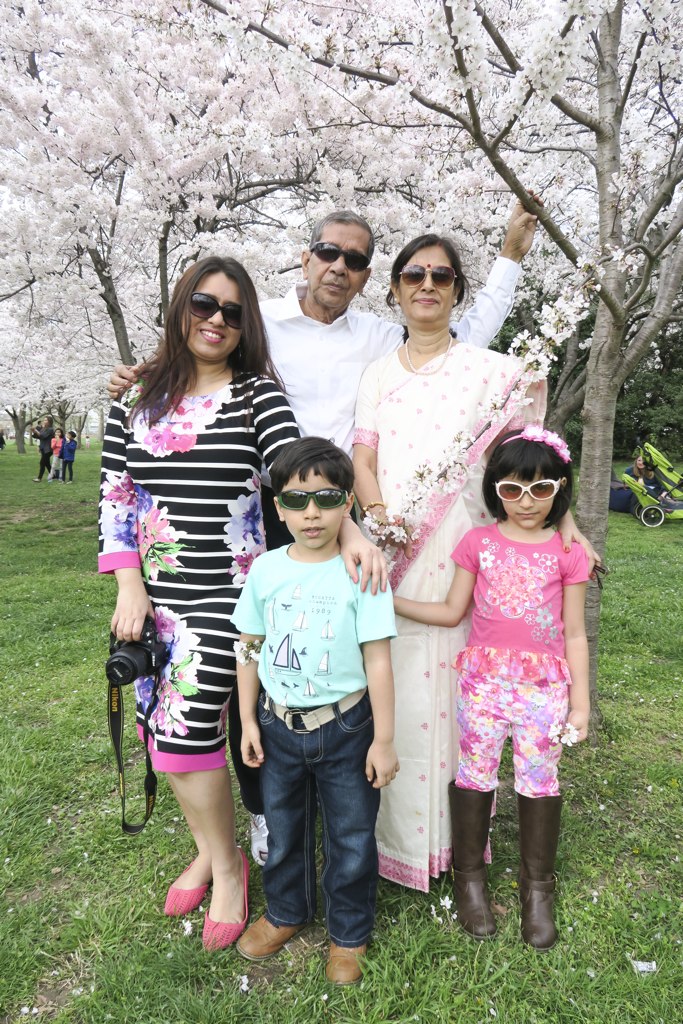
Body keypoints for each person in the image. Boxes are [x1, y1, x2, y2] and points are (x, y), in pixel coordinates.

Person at [105, 205, 539, 858]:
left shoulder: (377, 336)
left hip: (339, 517)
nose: (339, 267)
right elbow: (200, 352)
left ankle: (341, 789)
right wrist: (144, 372)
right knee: (248, 672)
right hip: (255, 520)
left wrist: (508, 255)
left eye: (356, 259)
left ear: (368, 276)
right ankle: (264, 810)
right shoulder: (261, 324)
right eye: (328, 253)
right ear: (305, 258)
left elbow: (461, 335)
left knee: (329, 667)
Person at [352, 233, 584, 893]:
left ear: (457, 290)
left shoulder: (492, 371)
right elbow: (363, 460)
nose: (427, 285)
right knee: (399, 690)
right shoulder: (377, 373)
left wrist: (566, 524)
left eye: (442, 276)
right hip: (395, 548)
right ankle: (396, 843)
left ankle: (461, 855)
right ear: (394, 289)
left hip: (464, 551)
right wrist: (379, 521)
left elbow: (529, 466)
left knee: (459, 697)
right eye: (413, 275)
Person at [99, 255, 300, 950]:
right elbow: (116, 500)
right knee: (163, 739)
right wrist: (129, 583)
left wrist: (345, 516)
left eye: (233, 313)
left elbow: (293, 467)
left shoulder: (258, 398)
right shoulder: (133, 399)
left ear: (246, 328)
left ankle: (228, 870)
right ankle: (213, 850)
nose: (216, 320)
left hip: (233, 594)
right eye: (204, 305)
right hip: (154, 597)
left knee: (184, 738)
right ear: (182, 306)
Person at [393, 428, 589, 950]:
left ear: (560, 489)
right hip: (482, 687)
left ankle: (537, 891)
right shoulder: (478, 543)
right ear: (495, 491)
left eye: (541, 489)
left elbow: (574, 632)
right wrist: (389, 601)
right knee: (475, 776)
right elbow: (453, 611)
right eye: (512, 489)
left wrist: (582, 704)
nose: (526, 502)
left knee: (538, 780)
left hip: (545, 691)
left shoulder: (568, 551)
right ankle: (470, 882)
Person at [232, 437, 398, 984]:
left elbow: (378, 660)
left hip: (348, 726)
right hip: (280, 725)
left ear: (346, 503)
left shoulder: (363, 572)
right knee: (283, 826)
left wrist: (384, 738)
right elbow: (250, 646)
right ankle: (285, 911)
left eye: (327, 499)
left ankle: (348, 932)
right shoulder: (265, 571)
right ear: (277, 506)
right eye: (297, 501)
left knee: (351, 834)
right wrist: (250, 718)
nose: (311, 513)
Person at [31, 416, 54, 481]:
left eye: (46, 420)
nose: (44, 421)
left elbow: (43, 436)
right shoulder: (43, 428)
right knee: (47, 463)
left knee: (42, 463)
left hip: (48, 449)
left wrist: (36, 430)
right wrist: (34, 432)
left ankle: (39, 478)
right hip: (43, 448)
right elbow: (38, 436)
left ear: (49, 421)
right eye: (44, 420)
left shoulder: (50, 429)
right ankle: (53, 475)